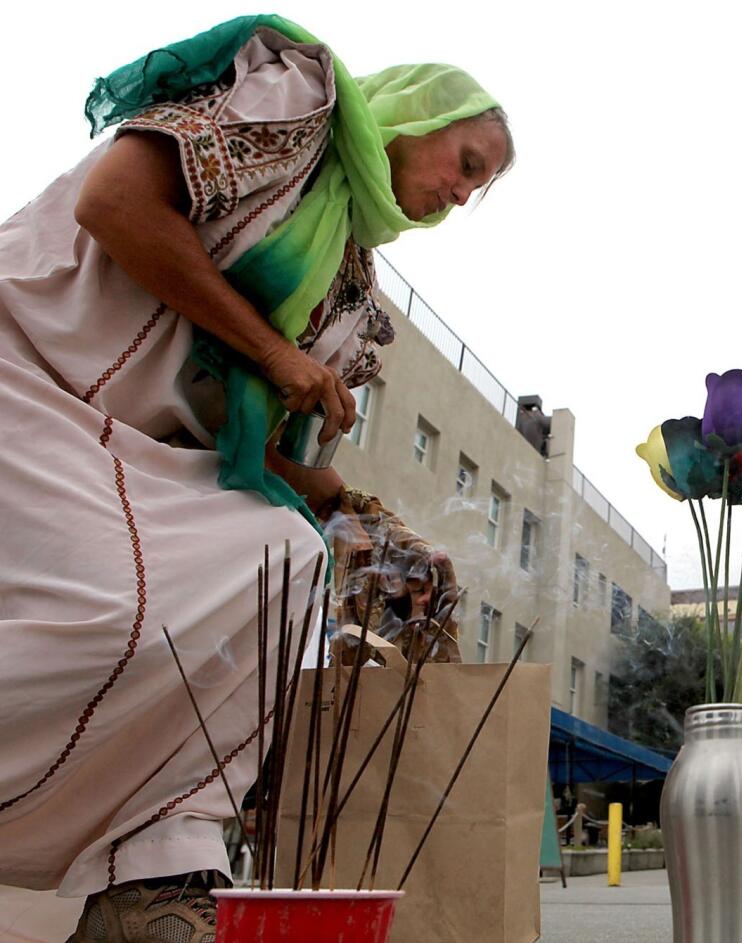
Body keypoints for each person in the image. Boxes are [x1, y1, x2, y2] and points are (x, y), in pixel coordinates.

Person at [0, 15, 513, 942]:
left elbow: (237, 446)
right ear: (412, 114)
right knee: (118, 615)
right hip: (24, 367)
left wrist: (333, 496)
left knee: (282, 555)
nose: (462, 195)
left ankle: (149, 878)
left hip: (133, 451)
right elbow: (113, 204)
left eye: (480, 188)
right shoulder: (292, 103)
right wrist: (276, 353)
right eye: (468, 164)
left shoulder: (352, 290)